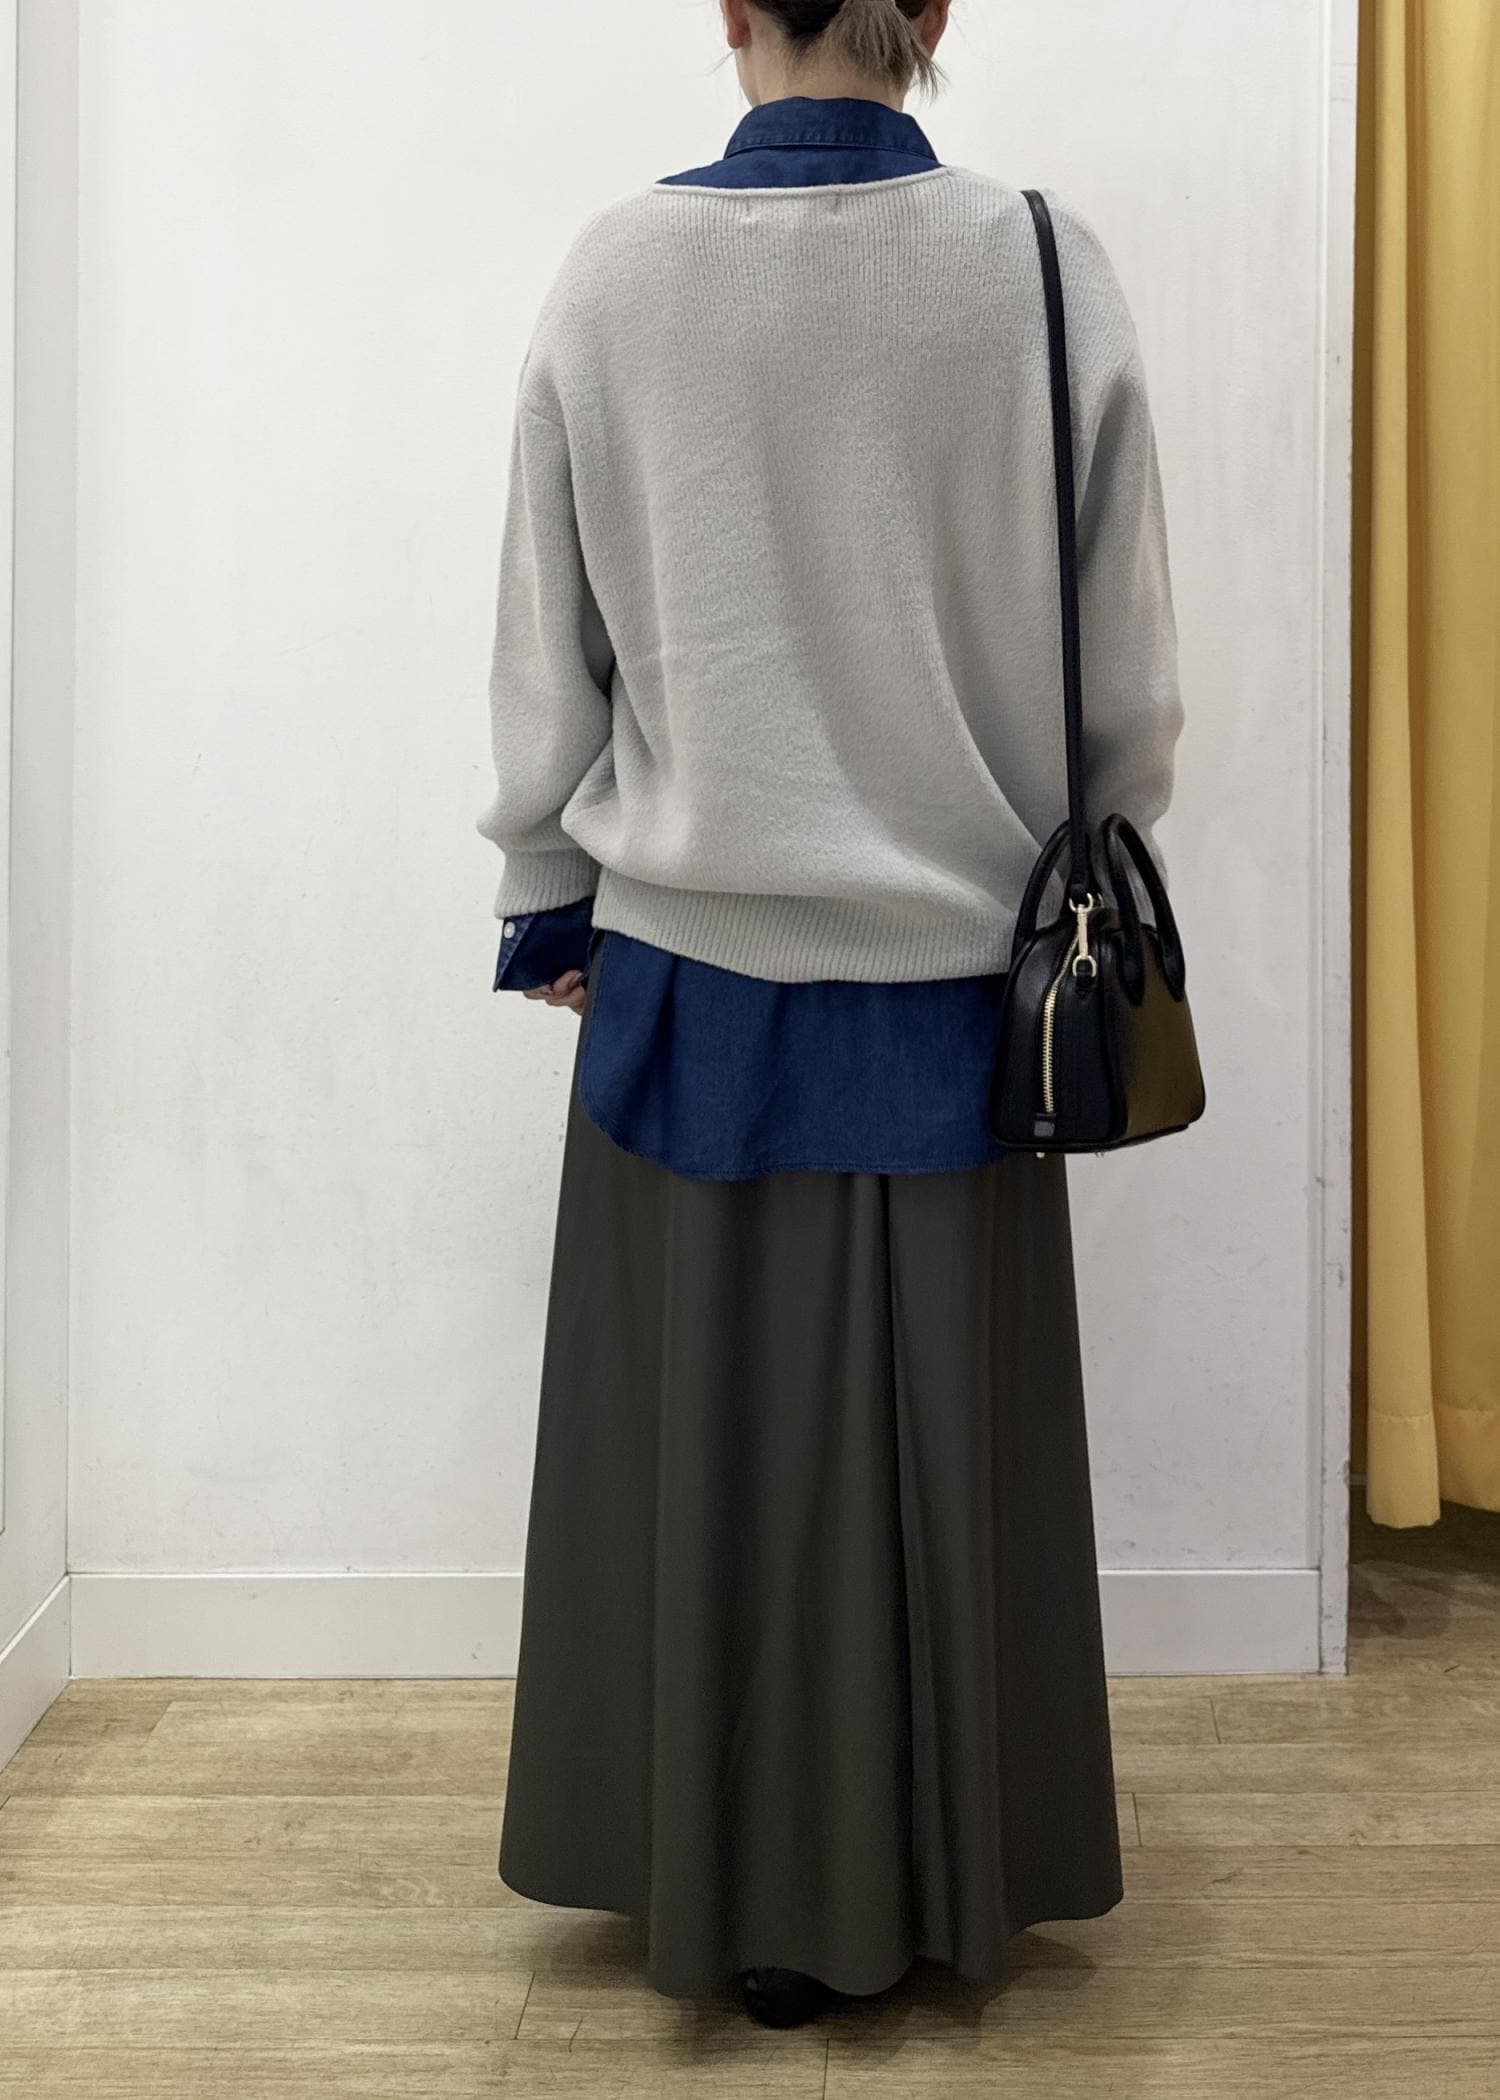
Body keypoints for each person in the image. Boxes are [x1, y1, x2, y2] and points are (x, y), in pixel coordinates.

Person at [477, 0, 1183, 2032]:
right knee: (945, 1465)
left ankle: (724, 1885)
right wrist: (1092, 833)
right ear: (933, 14)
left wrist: (541, 888)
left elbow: (546, 636)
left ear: (730, 11)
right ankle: (953, 1879)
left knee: (705, 1456)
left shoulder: (617, 275)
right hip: (970, 992)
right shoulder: (1040, 263)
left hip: (691, 972)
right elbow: (1127, 685)